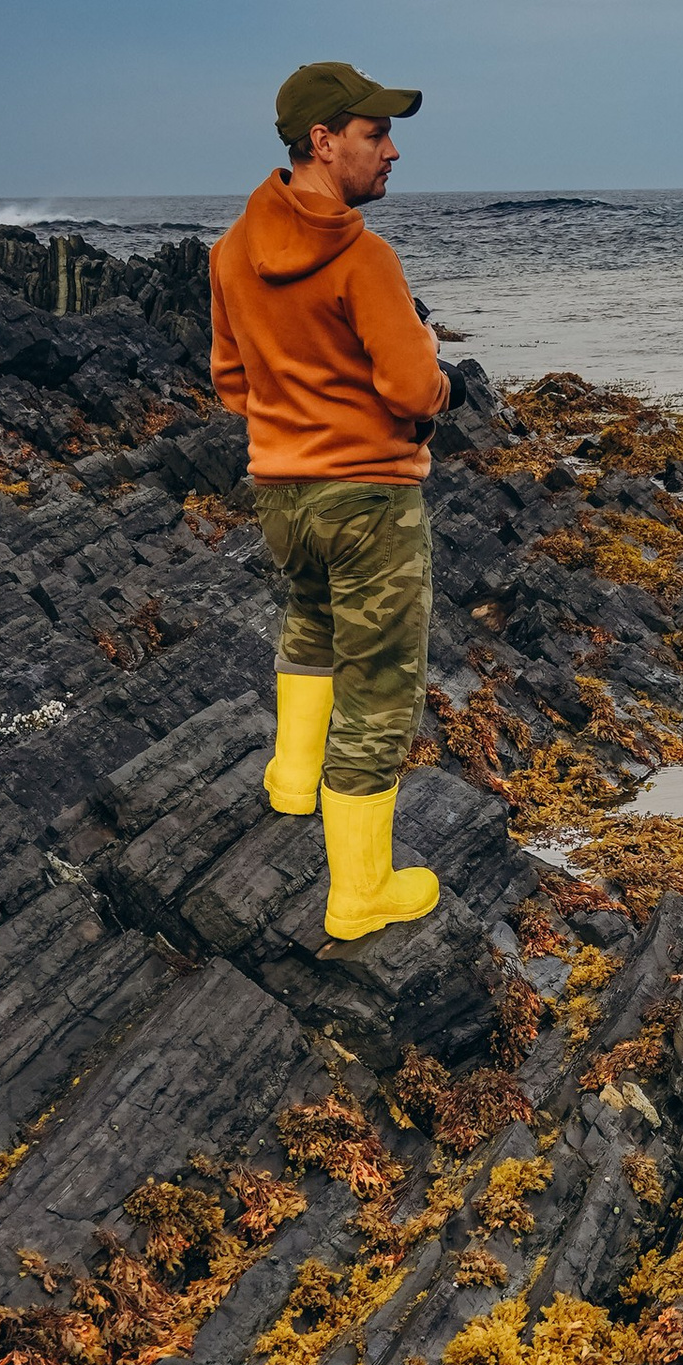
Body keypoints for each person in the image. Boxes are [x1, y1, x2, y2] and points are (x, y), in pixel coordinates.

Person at [208, 61, 453, 941]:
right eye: (375, 134)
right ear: (323, 141)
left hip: (280, 493)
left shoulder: (232, 249)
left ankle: (290, 778)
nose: (392, 150)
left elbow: (230, 378)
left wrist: (296, 422)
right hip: (368, 501)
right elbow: (413, 390)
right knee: (381, 687)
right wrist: (433, 361)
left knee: (309, 619)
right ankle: (359, 894)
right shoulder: (363, 256)